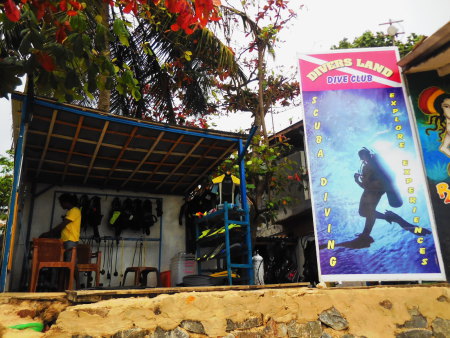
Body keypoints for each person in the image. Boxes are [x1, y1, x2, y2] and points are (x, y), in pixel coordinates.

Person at [353, 148, 430, 245]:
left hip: (372, 190)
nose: (362, 159)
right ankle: (366, 234)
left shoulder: (368, 166)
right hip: (379, 189)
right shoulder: (378, 162)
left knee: (364, 212)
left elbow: (365, 185)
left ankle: (391, 218)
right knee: (369, 211)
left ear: (362, 157)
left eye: (361, 157)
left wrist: (357, 180)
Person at [41, 193, 81, 261]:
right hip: (66, 240)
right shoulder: (70, 211)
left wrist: (49, 233)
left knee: (71, 263)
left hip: (70, 240)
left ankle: (74, 272)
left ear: (66, 202)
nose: (61, 205)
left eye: (61, 203)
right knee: (66, 263)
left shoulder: (75, 210)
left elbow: (63, 225)